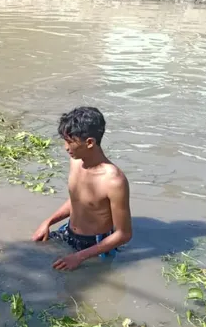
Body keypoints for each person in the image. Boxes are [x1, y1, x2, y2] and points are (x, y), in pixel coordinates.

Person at [32, 107, 132, 271]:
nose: (65, 147)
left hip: (96, 246)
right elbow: (77, 200)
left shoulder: (114, 181)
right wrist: (48, 222)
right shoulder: (76, 161)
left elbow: (124, 234)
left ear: (90, 142)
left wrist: (79, 257)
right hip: (69, 233)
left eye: (70, 141)